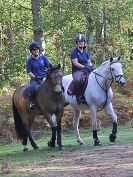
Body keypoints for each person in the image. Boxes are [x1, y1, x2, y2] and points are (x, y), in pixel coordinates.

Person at [26, 42, 51, 108]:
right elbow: (29, 72)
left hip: (45, 77)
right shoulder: (29, 60)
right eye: (34, 50)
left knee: (56, 85)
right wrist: (35, 77)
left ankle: (61, 100)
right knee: (32, 88)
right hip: (35, 79)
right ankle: (33, 102)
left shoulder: (43, 57)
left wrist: (48, 75)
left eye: (37, 49)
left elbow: (49, 66)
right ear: (31, 51)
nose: (36, 51)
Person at [70, 34, 94, 105]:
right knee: (78, 80)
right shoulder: (74, 52)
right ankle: (79, 97)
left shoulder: (86, 53)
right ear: (77, 43)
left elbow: (89, 63)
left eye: (82, 41)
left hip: (86, 70)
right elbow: (75, 63)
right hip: (77, 71)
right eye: (79, 41)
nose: (80, 42)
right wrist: (84, 67)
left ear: (84, 42)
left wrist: (91, 67)